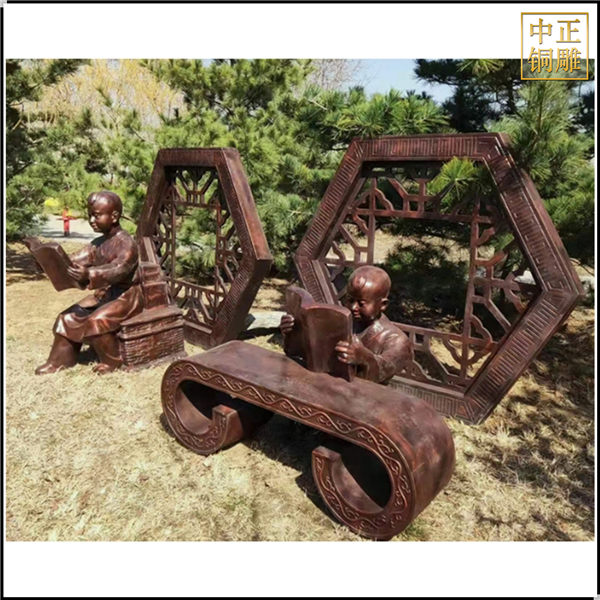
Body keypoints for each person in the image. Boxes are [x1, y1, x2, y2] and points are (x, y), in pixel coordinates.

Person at [35, 191, 144, 375]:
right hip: (104, 295)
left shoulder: (127, 244)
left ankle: (112, 361)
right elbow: (74, 260)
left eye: (97, 215)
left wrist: (89, 274)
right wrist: (48, 263)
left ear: (114, 216)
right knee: (67, 317)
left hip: (126, 297)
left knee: (98, 320)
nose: (92, 220)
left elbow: (119, 268)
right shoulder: (98, 243)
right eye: (90, 215)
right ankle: (59, 361)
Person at [280, 266, 413, 384]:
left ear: (383, 304)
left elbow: (384, 369)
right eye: (350, 300)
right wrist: (294, 334)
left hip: (369, 397)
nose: (353, 307)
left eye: (361, 303)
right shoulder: (338, 322)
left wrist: (364, 358)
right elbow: (307, 355)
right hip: (328, 386)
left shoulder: (397, 340)